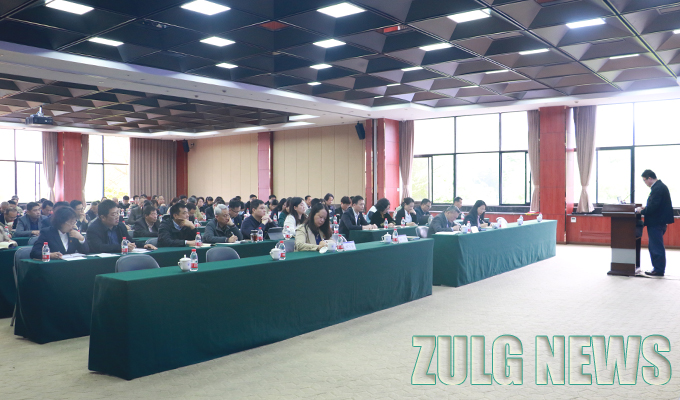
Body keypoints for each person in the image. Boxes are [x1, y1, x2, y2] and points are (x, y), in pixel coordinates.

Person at [636, 170, 674, 277]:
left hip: (656, 222)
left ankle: (658, 270)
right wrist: (646, 208)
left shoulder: (657, 188)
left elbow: (654, 207)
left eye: (644, 180)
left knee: (656, 246)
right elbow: (656, 205)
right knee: (655, 245)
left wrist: (641, 211)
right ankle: (658, 268)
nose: (645, 183)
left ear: (650, 178)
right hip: (659, 221)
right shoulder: (659, 186)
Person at [86, 200, 155, 253]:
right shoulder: (93, 229)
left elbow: (129, 241)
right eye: (113, 214)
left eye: (117, 213)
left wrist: (143, 245)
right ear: (103, 217)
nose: (117, 216)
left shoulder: (120, 226)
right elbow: (99, 247)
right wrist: (121, 247)